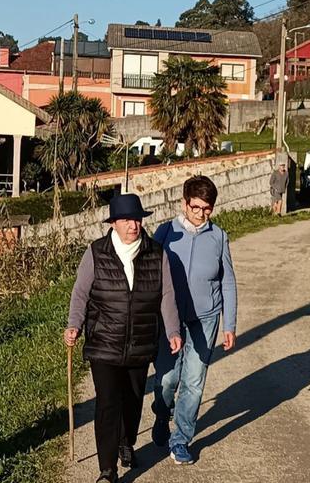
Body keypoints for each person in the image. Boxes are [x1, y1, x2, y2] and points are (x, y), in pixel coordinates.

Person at [63, 193, 183, 483]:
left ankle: (126, 441)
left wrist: (173, 330)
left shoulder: (157, 253)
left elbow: (166, 294)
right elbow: (81, 292)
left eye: (137, 219)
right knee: (107, 403)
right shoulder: (96, 252)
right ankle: (107, 470)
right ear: (114, 223)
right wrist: (74, 324)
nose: (134, 225)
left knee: (132, 400)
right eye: (127, 219)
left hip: (141, 340)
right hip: (104, 341)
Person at [151, 175, 238, 465]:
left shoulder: (219, 237)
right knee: (167, 379)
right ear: (184, 203)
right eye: (196, 207)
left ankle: (181, 439)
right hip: (169, 319)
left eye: (207, 208)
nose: (201, 214)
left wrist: (229, 324)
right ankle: (162, 416)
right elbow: (148, 276)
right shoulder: (165, 233)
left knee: (193, 381)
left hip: (206, 318)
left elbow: (228, 282)